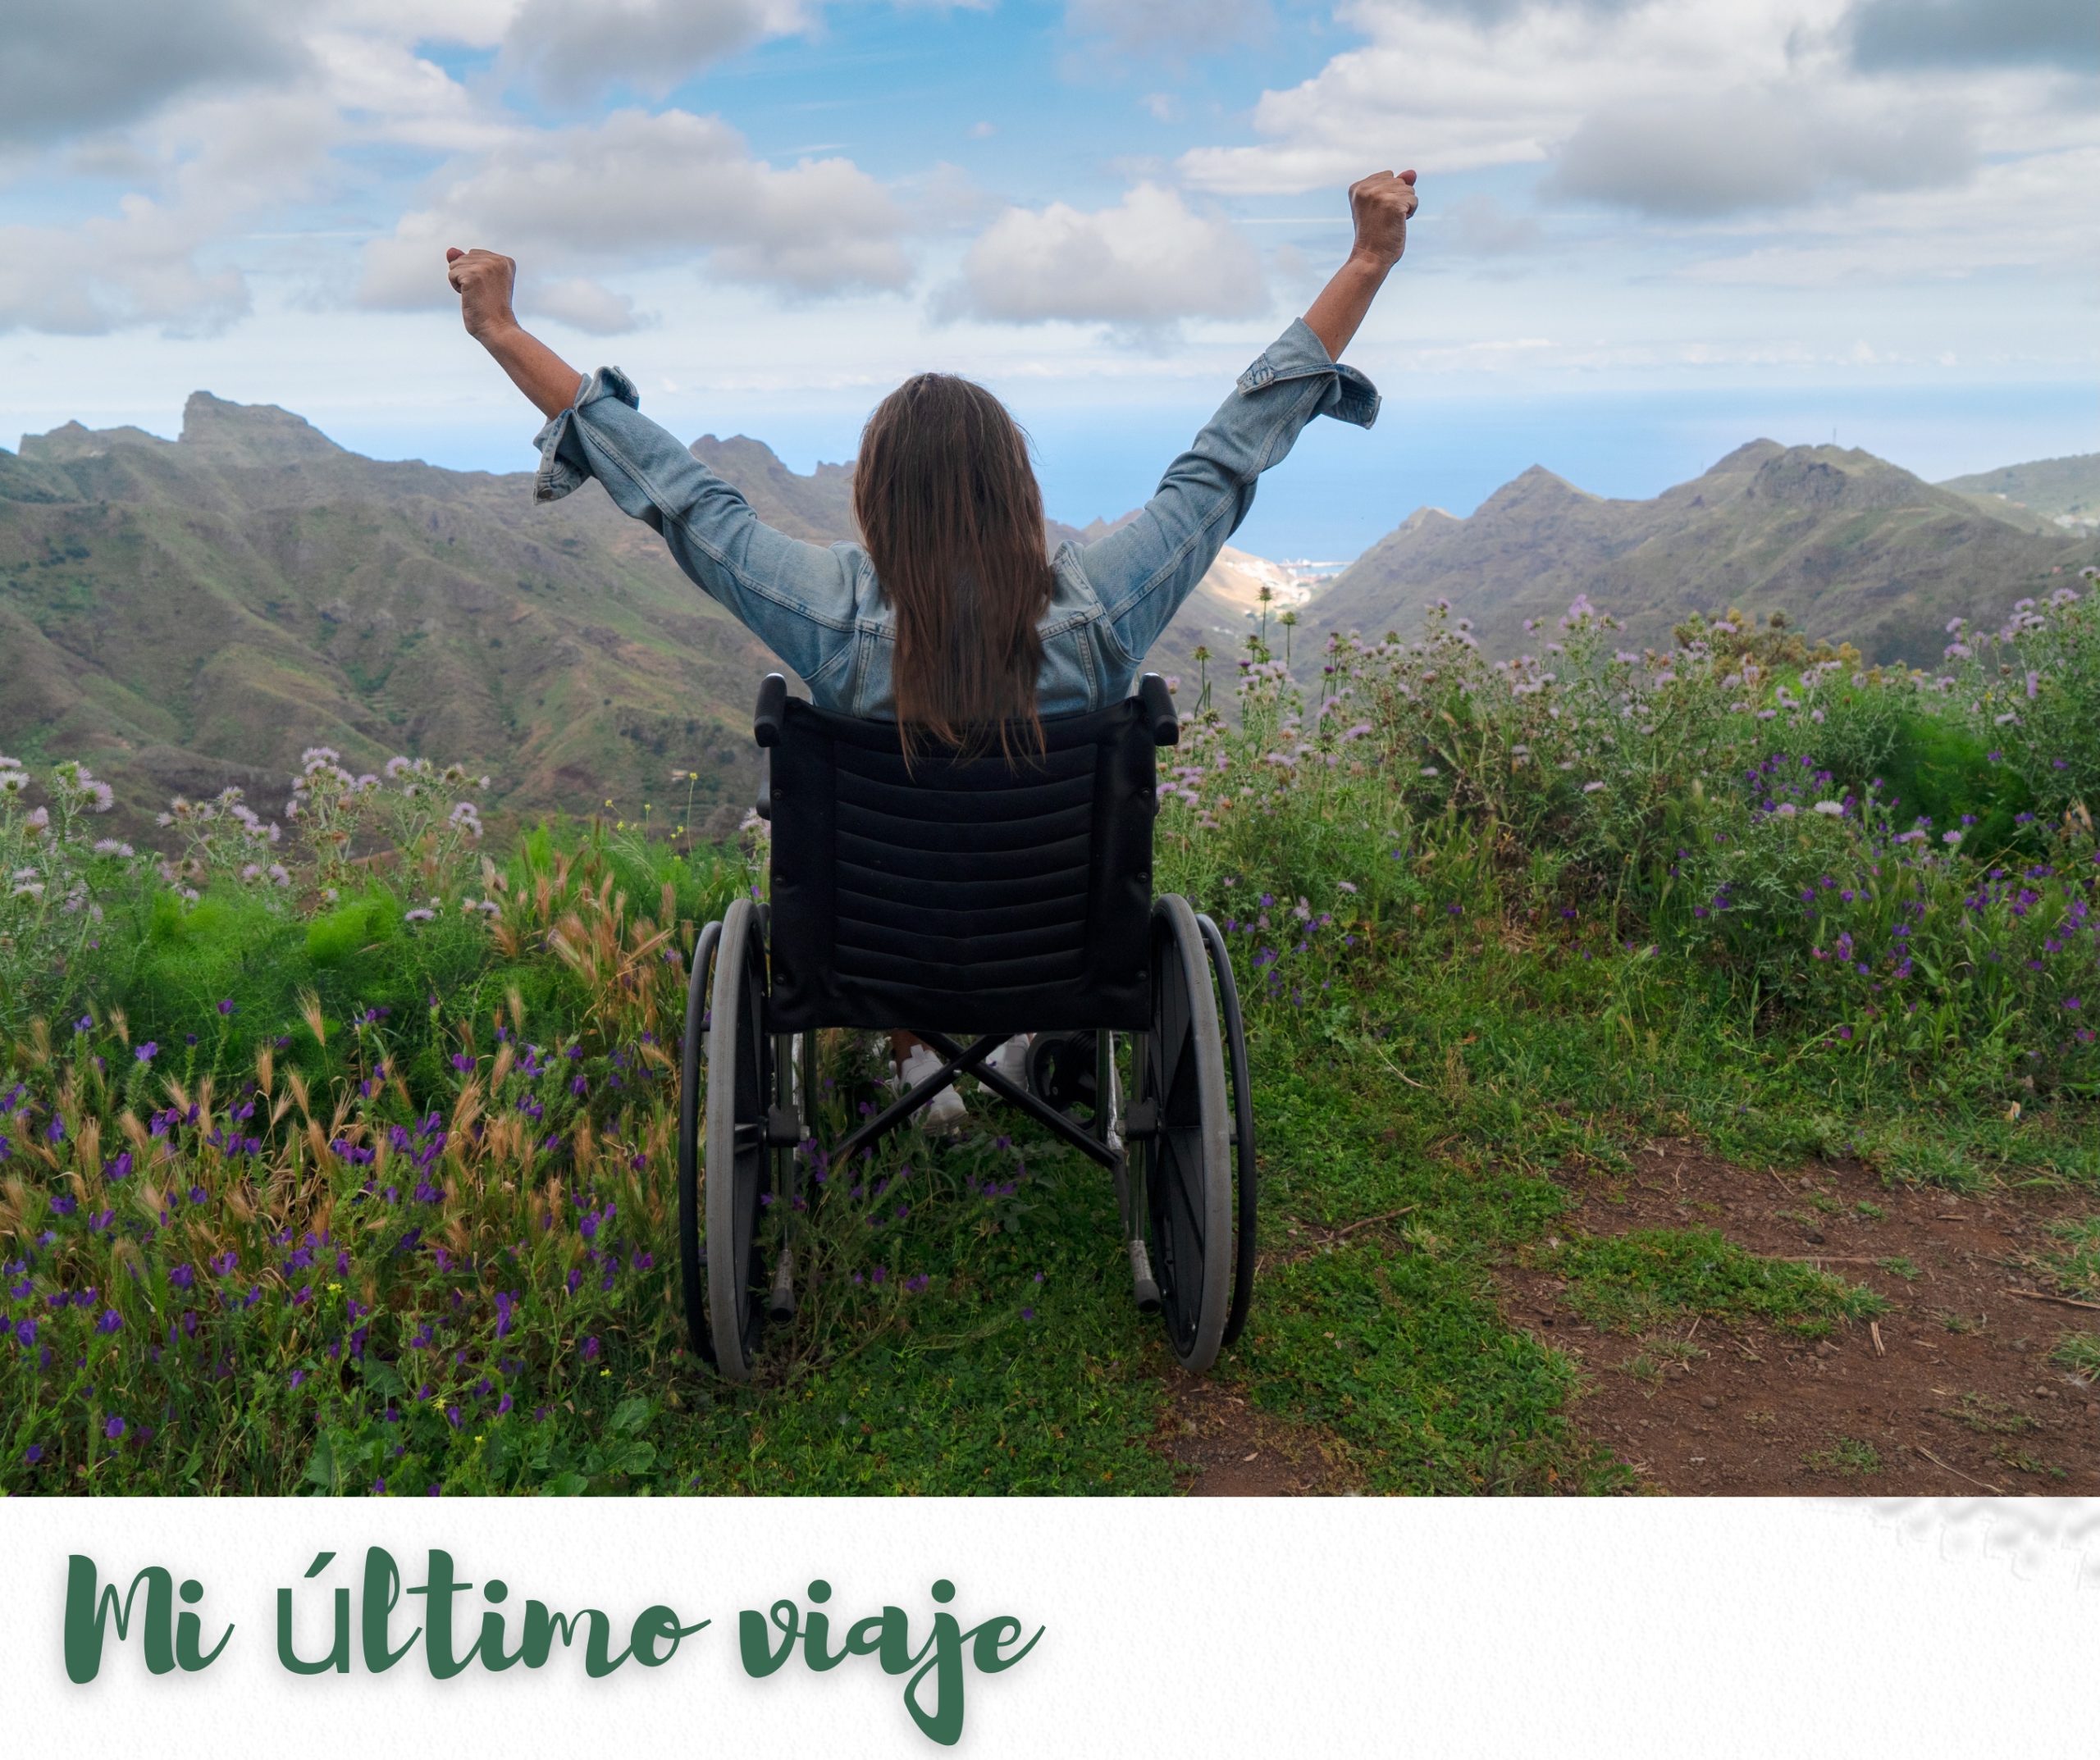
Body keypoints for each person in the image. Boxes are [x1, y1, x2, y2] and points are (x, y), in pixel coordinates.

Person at [449, 167, 1419, 1124]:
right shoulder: (1100, 612)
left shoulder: (830, 622)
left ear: (877, 499)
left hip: (870, 957)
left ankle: (918, 1064)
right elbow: (1224, 459)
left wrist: (501, 330)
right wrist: (1367, 259)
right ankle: (1015, 1045)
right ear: (1016, 488)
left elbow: (678, 495)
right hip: (1061, 952)